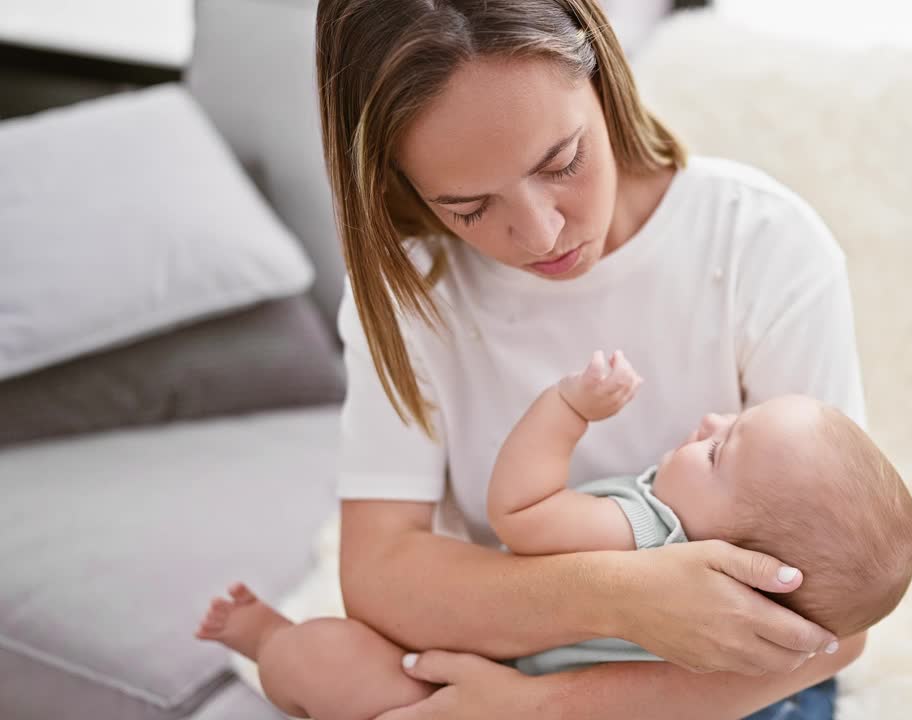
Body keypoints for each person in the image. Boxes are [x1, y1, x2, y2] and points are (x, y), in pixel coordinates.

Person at [211, 0, 876, 715]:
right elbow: (378, 576)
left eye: (562, 163)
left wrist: (548, 707)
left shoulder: (762, 245)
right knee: (331, 660)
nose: (540, 233)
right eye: (467, 208)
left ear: (604, 74)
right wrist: (623, 599)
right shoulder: (417, 290)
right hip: (512, 643)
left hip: (706, 683)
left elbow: (837, 624)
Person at [196, 352, 912, 720]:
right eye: (734, 420)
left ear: (756, 559)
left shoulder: (639, 528)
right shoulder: (756, 627)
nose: (709, 422)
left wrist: (566, 409)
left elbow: (521, 508)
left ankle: (268, 640)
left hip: (502, 684)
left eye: (720, 451)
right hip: (509, 685)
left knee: (326, 656)